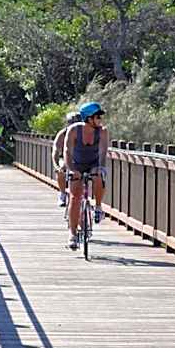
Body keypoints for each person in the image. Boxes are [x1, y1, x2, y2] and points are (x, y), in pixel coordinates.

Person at [63, 102, 108, 250]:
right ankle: (72, 234)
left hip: (93, 163)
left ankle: (99, 206)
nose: (100, 119)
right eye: (98, 116)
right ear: (89, 118)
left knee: (98, 177)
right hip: (77, 164)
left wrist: (100, 167)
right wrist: (71, 169)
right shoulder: (74, 130)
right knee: (75, 197)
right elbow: (67, 151)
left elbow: (102, 152)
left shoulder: (102, 132)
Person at [52, 111, 80, 207]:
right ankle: (62, 193)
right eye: (72, 123)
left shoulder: (84, 132)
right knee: (61, 169)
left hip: (80, 158)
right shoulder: (62, 134)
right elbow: (55, 150)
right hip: (64, 158)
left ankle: (86, 198)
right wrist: (56, 166)